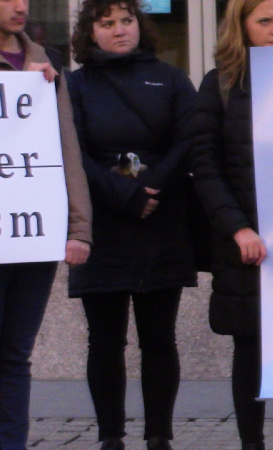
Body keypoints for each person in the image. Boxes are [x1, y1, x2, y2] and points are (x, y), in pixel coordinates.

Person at [190, 1, 273, 449]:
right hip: (245, 239)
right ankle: (252, 443)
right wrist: (238, 228)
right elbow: (206, 167)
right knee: (249, 346)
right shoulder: (220, 84)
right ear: (241, 26)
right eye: (264, 21)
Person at [66, 0, 197, 448]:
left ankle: (159, 436)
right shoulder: (76, 84)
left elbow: (189, 139)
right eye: (107, 23)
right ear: (90, 32)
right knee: (105, 341)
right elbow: (74, 152)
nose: (120, 30)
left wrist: (150, 187)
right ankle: (111, 438)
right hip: (102, 225)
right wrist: (125, 195)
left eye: (127, 21)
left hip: (162, 220)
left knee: (159, 339)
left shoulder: (172, 79)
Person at [0, 1, 92, 449]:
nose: (21, 6)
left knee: (15, 355)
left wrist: (78, 227)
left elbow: (65, 148)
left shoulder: (43, 61)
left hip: (30, 233)